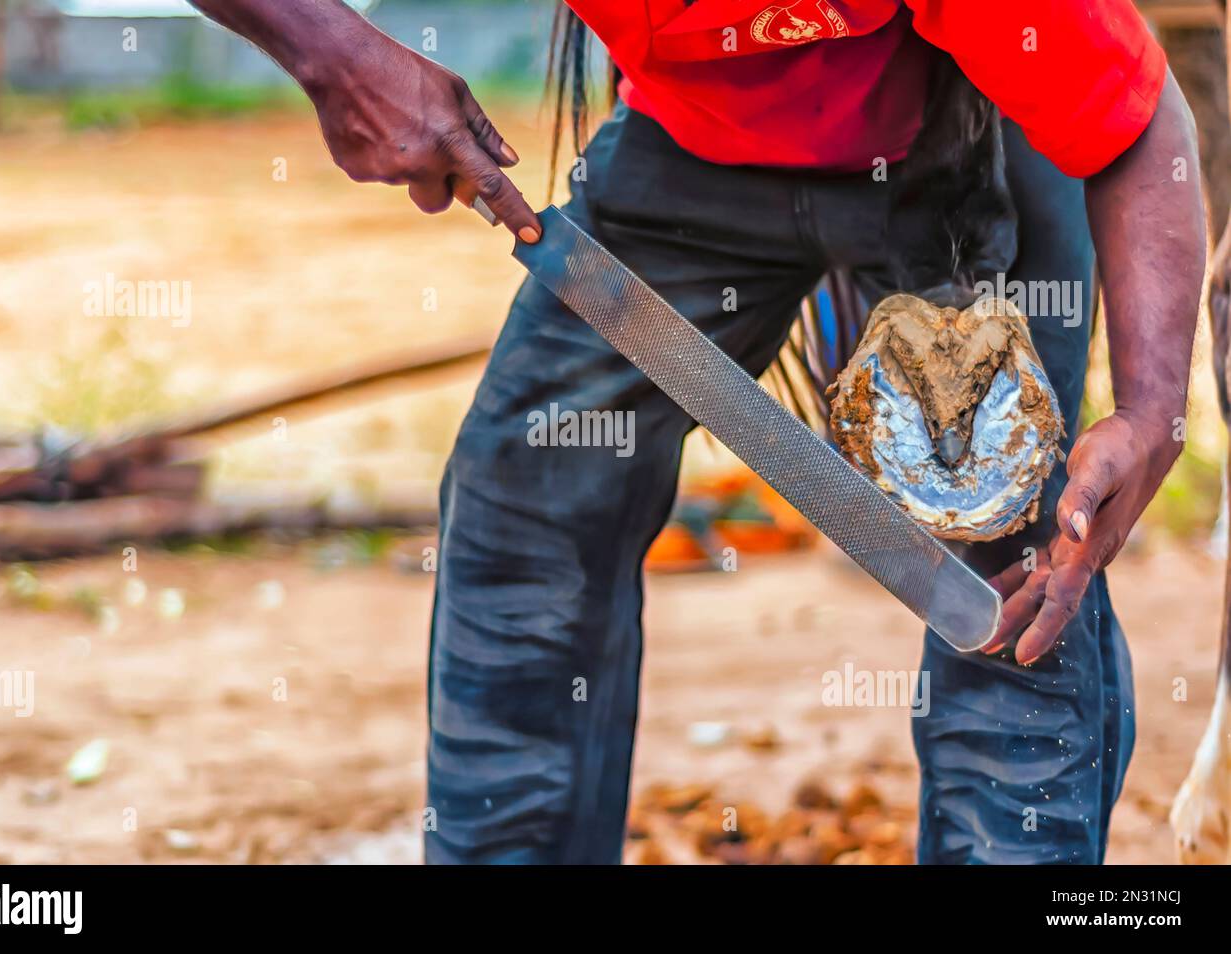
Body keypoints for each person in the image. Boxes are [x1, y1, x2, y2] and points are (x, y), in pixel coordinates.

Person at [189, 0, 1207, 864]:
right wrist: (334, 50)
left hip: (965, 129)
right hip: (686, 144)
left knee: (1012, 558)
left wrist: (1152, 411)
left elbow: (1136, 127)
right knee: (526, 520)